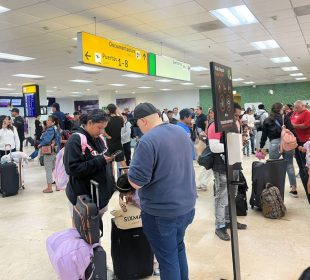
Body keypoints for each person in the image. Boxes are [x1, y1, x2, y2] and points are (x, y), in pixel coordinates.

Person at [128, 102, 196, 280]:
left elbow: (136, 182)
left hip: (162, 213)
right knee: (178, 247)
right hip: (187, 207)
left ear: (142, 121)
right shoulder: (181, 132)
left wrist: (128, 177)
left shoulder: (147, 141)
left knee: (167, 259)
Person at [64, 109, 115, 216]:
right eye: (99, 128)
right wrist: (100, 161)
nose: (102, 131)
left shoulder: (99, 138)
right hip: (84, 200)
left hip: (99, 198)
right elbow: (72, 169)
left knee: (95, 229)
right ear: (89, 123)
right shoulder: (75, 140)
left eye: (104, 128)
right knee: (83, 230)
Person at [208, 102, 247, 241]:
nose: (237, 118)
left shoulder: (236, 124)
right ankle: (219, 226)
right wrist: (232, 146)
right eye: (235, 115)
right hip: (221, 166)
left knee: (233, 195)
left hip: (235, 164)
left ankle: (229, 220)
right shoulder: (214, 125)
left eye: (238, 115)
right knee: (222, 197)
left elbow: (236, 143)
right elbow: (213, 147)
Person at [260, 102, 301, 197]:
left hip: (274, 144)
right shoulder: (285, 118)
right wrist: (298, 142)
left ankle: (272, 189)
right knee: (289, 165)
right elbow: (292, 130)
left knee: (272, 166)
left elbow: (264, 135)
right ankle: (294, 190)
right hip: (287, 143)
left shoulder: (267, 120)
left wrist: (261, 146)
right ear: (280, 109)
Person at [38, 115, 61, 193]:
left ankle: (49, 187)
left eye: (48, 120)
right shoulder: (56, 128)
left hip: (48, 151)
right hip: (55, 151)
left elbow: (47, 139)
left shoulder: (50, 129)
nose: (47, 121)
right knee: (55, 169)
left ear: (53, 122)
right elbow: (58, 139)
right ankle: (58, 186)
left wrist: (40, 144)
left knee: (48, 169)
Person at [290, 100, 310, 190]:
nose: (295, 109)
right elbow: (291, 121)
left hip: (305, 141)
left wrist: (294, 126)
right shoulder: (295, 113)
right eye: (295, 107)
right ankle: (303, 177)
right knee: (299, 161)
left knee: (305, 163)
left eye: (297, 107)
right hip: (297, 140)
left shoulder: (307, 113)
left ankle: (307, 181)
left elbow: (306, 125)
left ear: (303, 106)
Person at [104, 104, 127, 170]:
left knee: (111, 162)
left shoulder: (107, 119)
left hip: (110, 143)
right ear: (115, 110)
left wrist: (107, 135)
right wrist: (119, 112)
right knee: (122, 160)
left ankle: (112, 179)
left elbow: (103, 129)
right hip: (118, 142)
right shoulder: (120, 119)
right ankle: (127, 177)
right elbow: (123, 119)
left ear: (108, 110)